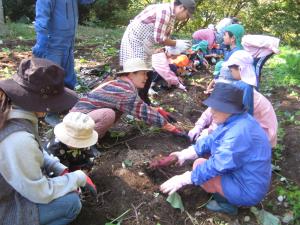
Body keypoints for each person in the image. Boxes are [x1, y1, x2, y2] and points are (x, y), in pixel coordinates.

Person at [0, 58, 97, 225]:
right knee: (71, 204)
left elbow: (35, 151)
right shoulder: (17, 139)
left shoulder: (11, 109)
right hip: (5, 206)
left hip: (8, 188)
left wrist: (59, 169)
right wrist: (77, 178)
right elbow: (40, 192)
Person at [160, 82, 272, 215]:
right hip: (247, 177)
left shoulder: (239, 132)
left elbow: (218, 165)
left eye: (216, 108)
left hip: (247, 189)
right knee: (201, 162)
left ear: (229, 109)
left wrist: (184, 178)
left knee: (200, 167)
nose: (212, 111)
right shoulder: (237, 120)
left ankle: (227, 204)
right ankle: (225, 193)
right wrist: (184, 154)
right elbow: (211, 140)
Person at [71, 58, 187, 139]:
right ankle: (86, 143)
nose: (146, 78)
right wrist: (172, 128)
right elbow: (143, 112)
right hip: (74, 124)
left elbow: (139, 105)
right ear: (131, 74)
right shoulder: (124, 91)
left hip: (80, 117)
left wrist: (159, 111)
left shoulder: (122, 85)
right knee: (108, 114)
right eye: (143, 74)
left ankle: (98, 135)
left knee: (116, 110)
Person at [189, 50, 278, 147]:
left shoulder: (242, 93)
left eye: (231, 70)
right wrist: (198, 126)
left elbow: (229, 122)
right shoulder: (237, 88)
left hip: (260, 138)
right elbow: (212, 110)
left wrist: (209, 133)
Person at [120, 0, 195, 104]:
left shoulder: (171, 16)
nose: (186, 18)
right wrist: (176, 43)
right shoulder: (165, 11)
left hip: (146, 44)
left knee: (148, 73)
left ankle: (143, 100)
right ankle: (126, 99)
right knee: (136, 71)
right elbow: (159, 38)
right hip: (135, 41)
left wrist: (171, 48)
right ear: (182, 8)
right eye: (187, 15)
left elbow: (164, 38)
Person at [32, 0, 95, 90]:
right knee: (48, 85)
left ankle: (67, 100)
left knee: (68, 84)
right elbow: (42, 16)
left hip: (68, 47)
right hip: (52, 48)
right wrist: (41, 40)